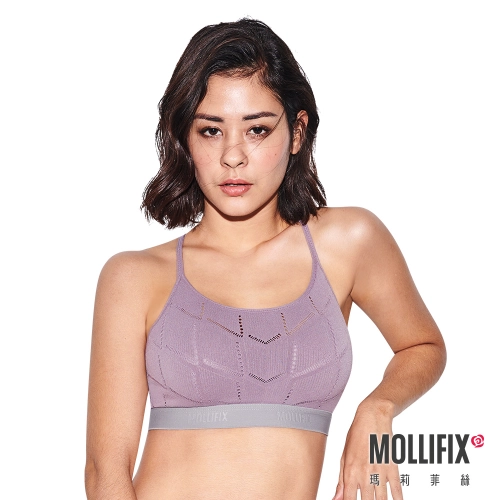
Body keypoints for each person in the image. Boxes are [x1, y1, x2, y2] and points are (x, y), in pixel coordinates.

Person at [85, 18, 446, 500]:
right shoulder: (133, 278)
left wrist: (377, 408)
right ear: (185, 138)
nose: (233, 156)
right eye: (211, 130)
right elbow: (105, 472)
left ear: (297, 132)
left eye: (257, 129)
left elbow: (423, 345)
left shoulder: (349, 242)